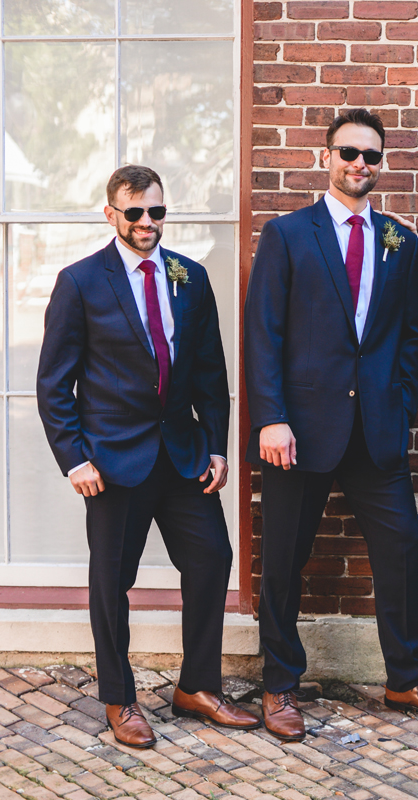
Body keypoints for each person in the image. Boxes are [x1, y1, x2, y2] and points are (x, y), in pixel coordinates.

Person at [244, 108, 418, 740]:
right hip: (298, 434)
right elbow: (262, 334)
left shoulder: (397, 240)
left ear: (382, 165)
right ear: (326, 157)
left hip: (376, 431)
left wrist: (400, 408)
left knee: (402, 548)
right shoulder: (288, 233)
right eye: (349, 152)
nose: (359, 165)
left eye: (371, 156)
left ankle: (404, 677)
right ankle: (279, 685)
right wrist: (270, 418)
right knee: (285, 562)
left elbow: (412, 335)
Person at [37, 165, 257, 747]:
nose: (146, 223)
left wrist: (216, 444)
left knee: (212, 558)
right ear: (111, 213)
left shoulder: (191, 276)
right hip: (111, 463)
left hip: (183, 456)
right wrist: (74, 458)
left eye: (156, 212)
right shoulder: (80, 281)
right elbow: (54, 384)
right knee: (111, 582)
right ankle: (119, 698)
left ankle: (197, 686)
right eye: (134, 213)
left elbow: (211, 371)